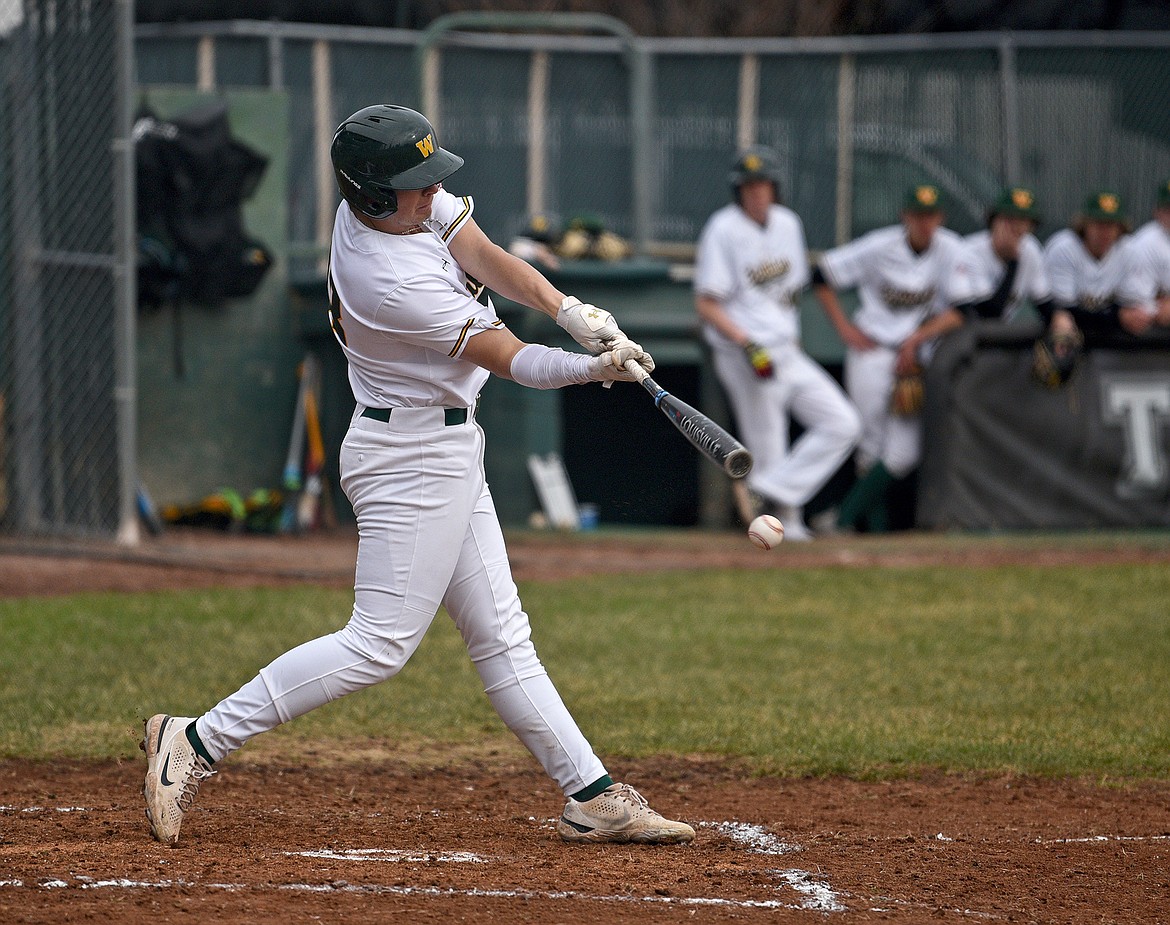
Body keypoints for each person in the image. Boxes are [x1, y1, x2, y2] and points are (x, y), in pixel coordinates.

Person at [141, 104, 695, 849]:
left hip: (445, 446)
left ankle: (591, 794)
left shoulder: (402, 212)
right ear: (371, 196)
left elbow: (487, 254)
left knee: (503, 638)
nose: (431, 196)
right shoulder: (386, 276)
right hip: (408, 459)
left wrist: (568, 307)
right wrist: (594, 367)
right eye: (414, 187)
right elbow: (509, 359)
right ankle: (196, 740)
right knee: (379, 643)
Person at [693, 146, 861, 540]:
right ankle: (788, 526)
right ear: (740, 191)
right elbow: (706, 303)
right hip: (745, 351)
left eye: (763, 184)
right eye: (749, 186)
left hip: (785, 348)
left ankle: (764, 491)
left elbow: (789, 296)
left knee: (843, 423)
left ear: (774, 188)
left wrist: (793, 342)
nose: (757, 192)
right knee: (769, 442)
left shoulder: (788, 223)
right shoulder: (723, 228)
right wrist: (747, 343)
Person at [811, 183, 977, 533]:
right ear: (905, 216)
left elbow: (962, 311)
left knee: (904, 452)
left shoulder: (951, 249)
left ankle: (842, 517)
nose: (924, 223)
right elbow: (821, 275)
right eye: (918, 215)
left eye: (931, 216)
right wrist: (844, 328)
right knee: (869, 445)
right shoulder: (879, 245)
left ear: (941, 218)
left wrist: (917, 338)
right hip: (872, 352)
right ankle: (875, 536)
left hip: (911, 361)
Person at [1043, 190, 1150, 340]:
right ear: (1084, 224)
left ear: (1120, 228)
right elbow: (1063, 312)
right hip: (1059, 334)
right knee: (1063, 327)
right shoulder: (1064, 249)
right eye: (1099, 224)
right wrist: (1117, 318)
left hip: (1107, 340)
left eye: (1111, 225)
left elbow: (1132, 306)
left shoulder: (1129, 251)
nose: (1105, 232)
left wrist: (1135, 316)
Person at [959, 186, 1053, 324]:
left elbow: (1044, 304)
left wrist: (1060, 319)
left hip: (997, 332)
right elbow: (989, 314)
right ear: (993, 221)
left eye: (1024, 221)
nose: (1018, 227)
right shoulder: (970, 252)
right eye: (1010, 220)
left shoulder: (1030, 248)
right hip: (964, 334)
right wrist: (1013, 262)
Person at [1120, 179, 1170, 329]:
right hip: (1147, 340)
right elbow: (1139, 307)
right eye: (1168, 209)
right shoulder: (1146, 244)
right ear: (1157, 212)